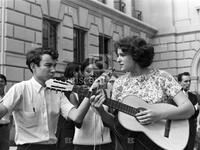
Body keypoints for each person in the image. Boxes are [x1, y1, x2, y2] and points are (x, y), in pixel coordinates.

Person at [90, 36, 195, 150]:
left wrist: (159, 115)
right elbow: (116, 124)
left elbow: (189, 109)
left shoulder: (162, 77)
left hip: (162, 143)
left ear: (136, 55)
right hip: (133, 145)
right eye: (118, 55)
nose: (118, 60)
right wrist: (100, 110)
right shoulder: (119, 84)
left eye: (122, 55)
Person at [0, 48, 100, 150]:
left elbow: (77, 117)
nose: (53, 70)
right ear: (33, 66)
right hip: (27, 147)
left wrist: (91, 92)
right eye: (48, 65)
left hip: (52, 147)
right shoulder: (20, 89)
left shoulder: (57, 92)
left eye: (54, 65)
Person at [73, 58, 113, 150]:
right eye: (88, 71)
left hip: (105, 144)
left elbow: (112, 122)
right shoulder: (75, 93)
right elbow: (77, 122)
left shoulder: (107, 92)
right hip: (82, 145)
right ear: (82, 73)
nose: (92, 74)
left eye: (95, 71)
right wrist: (89, 93)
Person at [56, 62, 80, 150]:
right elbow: (74, 110)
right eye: (79, 71)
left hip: (68, 127)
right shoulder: (67, 88)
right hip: (67, 128)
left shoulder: (74, 87)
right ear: (75, 72)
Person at [177, 72, 199, 150]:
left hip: (191, 130)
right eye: (186, 81)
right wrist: (193, 108)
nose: (188, 83)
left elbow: (195, 114)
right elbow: (177, 113)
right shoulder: (175, 97)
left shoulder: (193, 96)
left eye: (189, 81)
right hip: (179, 130)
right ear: (179, 82)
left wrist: (190, 110)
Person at [0, 74, 10, 150]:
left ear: (5, 83)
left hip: (5, 128)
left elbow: (12, 114)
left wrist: (9, 126)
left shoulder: (9, 96)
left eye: (2, 81)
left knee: (5, 147)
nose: (0, 83)